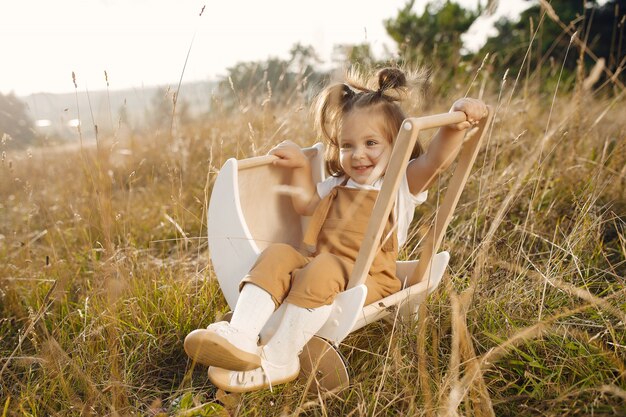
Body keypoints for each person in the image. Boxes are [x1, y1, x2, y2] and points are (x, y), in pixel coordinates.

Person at [184, 67, 488, 392]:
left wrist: (458, 122)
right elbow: (305, 204)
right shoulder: (338, 183)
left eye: (371, 143)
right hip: (321, 266)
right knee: (279, 254)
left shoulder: (400, 184)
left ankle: (281, 356)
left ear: (398, 145)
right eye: (347, 145)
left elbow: (436, 161)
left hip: (370, 279)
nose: (358, 155)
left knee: (323, 267)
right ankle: (241, 336)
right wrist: (301, 166)